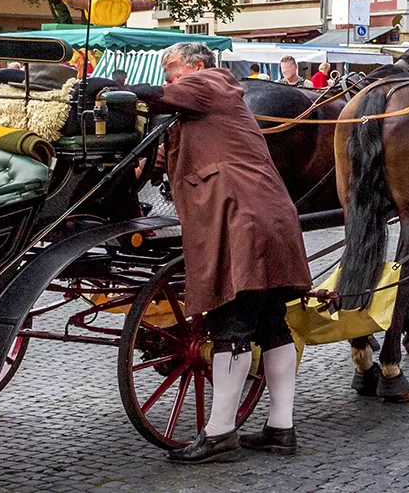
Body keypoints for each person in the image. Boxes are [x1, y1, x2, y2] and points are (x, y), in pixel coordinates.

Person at [93, 44, 311, 461]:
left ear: (195, 65)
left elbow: (160, 94)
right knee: (270, 323)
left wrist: (113, 90)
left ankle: (220, 433)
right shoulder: (199, 112)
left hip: (243, 220)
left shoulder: (212, 83)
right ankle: (280, 428)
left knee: (231, 322)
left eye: (171, 69)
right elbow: (163, 162)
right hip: (261, 217)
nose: (168, 78)